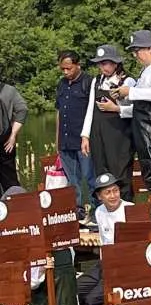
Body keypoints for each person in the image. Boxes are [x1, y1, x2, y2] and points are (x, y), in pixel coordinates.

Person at [3, 185, 77, 305]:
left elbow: (34, 280)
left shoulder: (42, 230)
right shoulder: (16, 233)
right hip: (44, 299)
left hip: (52, 300)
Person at [113, 30, 151, 201]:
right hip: (146, 126)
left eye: (137, 51)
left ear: (149, 48)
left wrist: (129, 91)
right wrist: (122, 108)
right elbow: (142, 104)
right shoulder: (148, 70)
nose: (135, 55)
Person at [82, 44, 136, 202]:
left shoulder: (128, 81)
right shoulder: (96, 81)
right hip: (98, 135)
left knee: (120, 175)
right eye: (100, 64)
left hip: (120, 136)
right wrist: (85, 136)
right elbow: (90, 109)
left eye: (105, 63)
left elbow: (136, 111)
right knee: (102, 174)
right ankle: (104, 211)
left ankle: (127, 211)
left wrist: (116, 108)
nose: (101, 67)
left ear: (115, 63)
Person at [76, 173, 132, 305]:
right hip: (104, 263)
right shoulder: (99, 212)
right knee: (76, 289)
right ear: (99, 197)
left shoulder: (130, 209)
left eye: (115, 191)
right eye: (108, 193)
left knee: (92, 300)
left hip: (123, 266)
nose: (113, 196)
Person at [55, 51, 97, 224]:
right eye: (62, 69)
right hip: (65, 141)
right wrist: (57, 140)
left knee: (90, 176)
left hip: (83, 140)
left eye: (69, 68)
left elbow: (94, 113)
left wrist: (88, 137)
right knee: (72, 181)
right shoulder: (61, 84)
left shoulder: (89, 82)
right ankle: (77, 212)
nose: (65, 72)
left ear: (78, 65)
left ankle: (96, 211)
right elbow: (59, 112)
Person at [0, 76, 28, 193]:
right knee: (10, 181)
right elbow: (23, 110)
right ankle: (16, 208)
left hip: (5, 142)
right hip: (5, 141)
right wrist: (13, 135)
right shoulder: (9, 90)